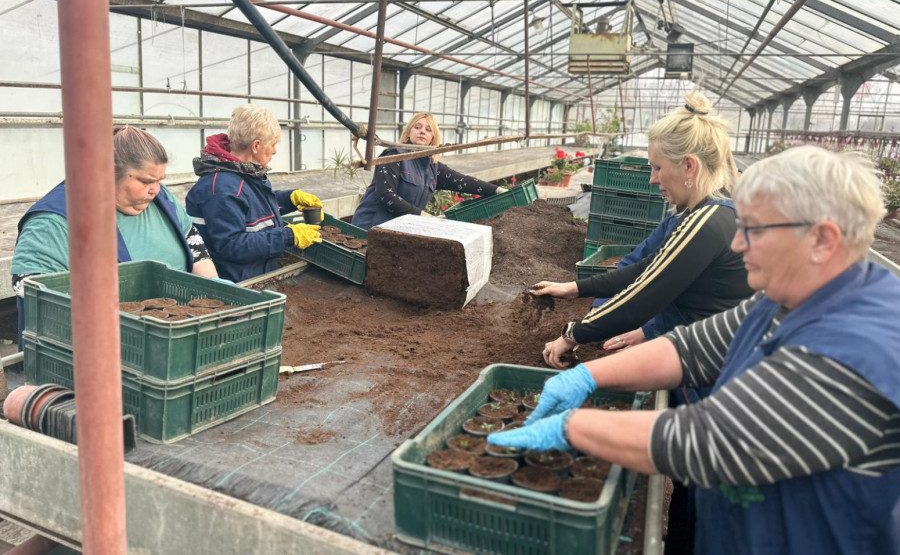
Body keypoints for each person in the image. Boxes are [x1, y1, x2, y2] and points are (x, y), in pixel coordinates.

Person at [489, 146, 900, 555]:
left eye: (753, 229)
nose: (738, 244)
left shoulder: (860, 349)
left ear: (821, 240)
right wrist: (587, 376)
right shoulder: (790, 296)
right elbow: (692, 347)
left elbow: (709, 442)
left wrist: (568, 428)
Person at [534, 91, 752, 370]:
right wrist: (575, 288)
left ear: (688, 165)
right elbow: (645, 268)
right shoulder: (708, 214)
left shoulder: (706, 223)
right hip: (705, 351)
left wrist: (572, 334)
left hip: (714, 366)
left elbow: (642, 296)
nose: (652, 179)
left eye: (658, 168)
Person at [13, 127, 218, 350]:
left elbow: (194, 246)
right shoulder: (53, 223)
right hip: (99, 354)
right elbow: (34, 295)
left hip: (173, 342)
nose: (155, 190)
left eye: (159, 180)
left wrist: (215, 293)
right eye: (146, 181)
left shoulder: (162, 199)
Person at [185, 105, 323, 282]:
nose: (274, 151)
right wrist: (288, 235)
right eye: (273, 144)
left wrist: (289, 198)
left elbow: (252, 206)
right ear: (256, 146)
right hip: (236, 285)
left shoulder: (243, 173)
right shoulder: (221, 187)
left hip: (256, 275)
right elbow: (232, 245)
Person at [351, 112, 506, 229]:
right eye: (417, 127)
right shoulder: (393, 156)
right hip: (370, 228)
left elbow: (462, 181)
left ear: (433, 137)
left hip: (397, 230)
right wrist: (422, 216)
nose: (422, 131)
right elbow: (386, 196)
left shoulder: (432, 166)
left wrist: (497, 190)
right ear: (409, 133)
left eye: (428, 129)